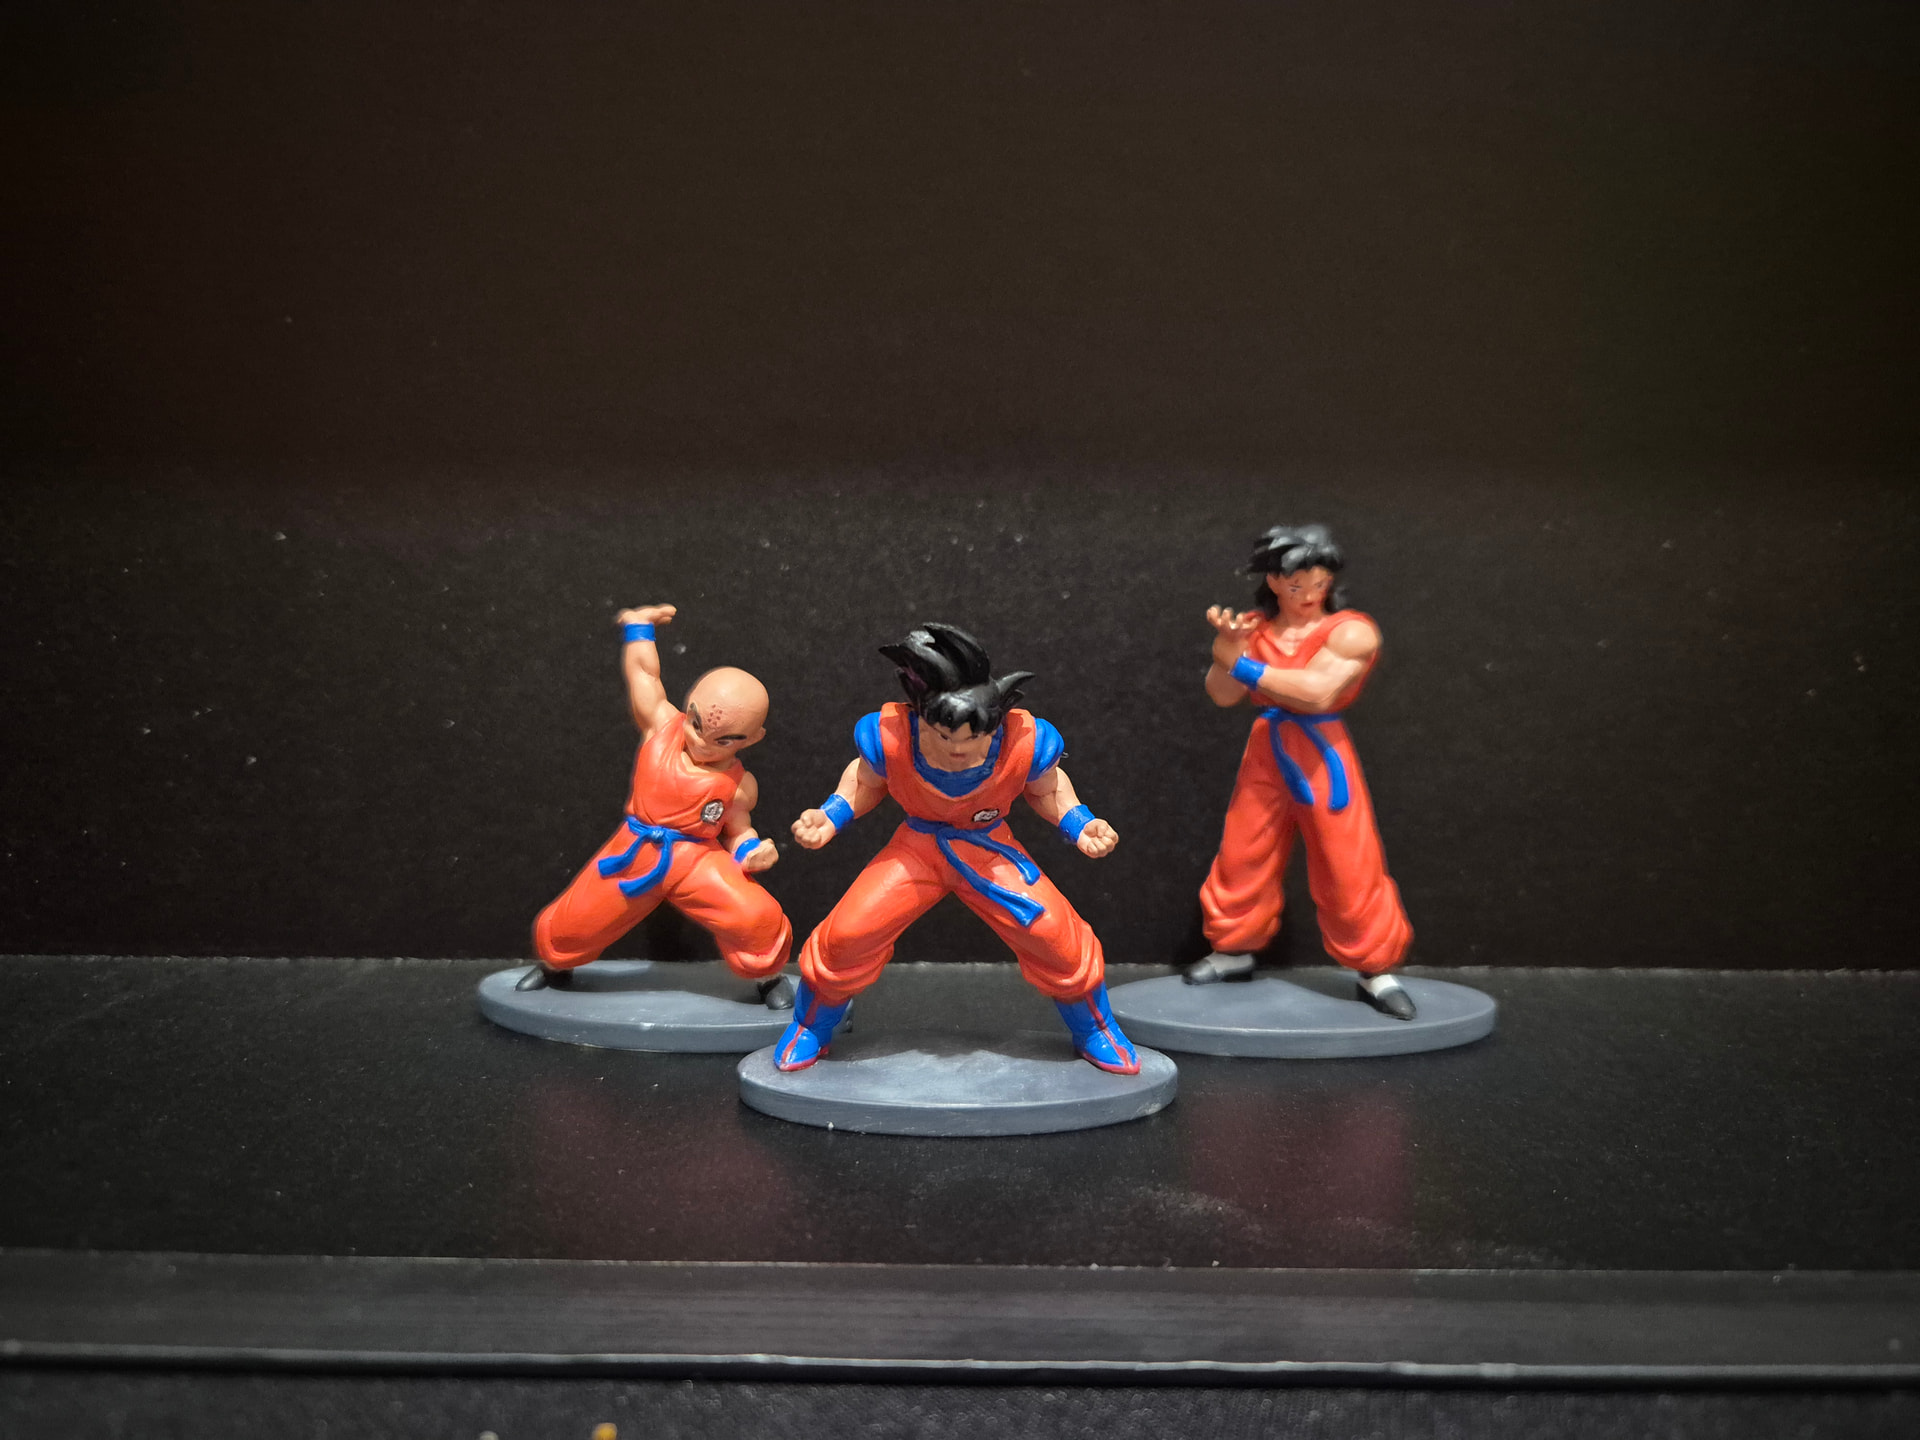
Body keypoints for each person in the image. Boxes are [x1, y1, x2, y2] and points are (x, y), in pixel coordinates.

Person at [779, 623, 1137, 1072]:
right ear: (920, 715)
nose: (958, 749)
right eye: (945, 736)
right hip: (917, 848)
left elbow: (1047, 789)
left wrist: (1080, 823)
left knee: (1054, 935)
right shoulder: (892, 735)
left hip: (987, 848)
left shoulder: (1024, 742)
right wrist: (831, 814)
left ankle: (1096, 1029)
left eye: (973, 738)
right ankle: (810, 1025)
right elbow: (865, 782)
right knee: (850, 932)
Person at [1189, 526, 1418, 1019]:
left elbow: (1317, 692)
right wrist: (1226, 652)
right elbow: (1223, 694)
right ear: (1274, 581)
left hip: (1321, 751)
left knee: (1347, 859)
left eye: (1320, 583)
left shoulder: (1350, 631)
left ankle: (1375, 967)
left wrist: (1240, 665)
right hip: (1267, 748)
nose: (1310, 594)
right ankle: (1233, 947)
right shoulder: (1253, 628)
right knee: (1244, 848)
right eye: (1297, 585)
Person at [523, 604, 794, 1006]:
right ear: (688, 707)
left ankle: (768, 977)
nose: (702, 742)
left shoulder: (739, 785)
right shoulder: (661, 727)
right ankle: (554, 965)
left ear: (752, 738)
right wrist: (639, 629)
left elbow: (739, 830)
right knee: (575, 922)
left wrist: (752, 851)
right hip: (634, 850)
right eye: (697, 725)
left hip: (696, 859)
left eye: (723, 740)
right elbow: (644, 676)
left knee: (755, 914)